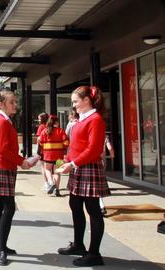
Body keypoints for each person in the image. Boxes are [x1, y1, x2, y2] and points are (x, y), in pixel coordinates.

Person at [57, 86, 111, 267]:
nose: (73, 106)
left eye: (75, 102)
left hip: (87, 167)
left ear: (87, 100)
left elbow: (94, 149)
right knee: (75, 204)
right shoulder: (83, 119)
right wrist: (68, 160)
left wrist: (72, 163)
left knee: (93, 210)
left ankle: (94, 253)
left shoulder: (95, 120)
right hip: (79, 166)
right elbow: (77, 145)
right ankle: (79, 245)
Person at [0, 89, 34, 266]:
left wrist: (20, 161)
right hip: (2, 167)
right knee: (8, 208)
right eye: (12, 101)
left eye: (15, 101)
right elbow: (4, 149)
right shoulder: (2, 122)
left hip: (1, 166)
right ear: (1, 104)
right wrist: (22, 161)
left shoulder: (3, 120)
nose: (15, 104)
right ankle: (1, 249)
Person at [37, 115, 69, 197]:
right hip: (59, 156)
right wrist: (63, 147)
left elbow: (40, 142)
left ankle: (51, 183)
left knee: (47, 169)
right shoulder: (60, 131)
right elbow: (66, 142)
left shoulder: (45, 131)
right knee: (57, 171)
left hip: (48, 155)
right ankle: (57, 190)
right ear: (57, 122)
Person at [36, 113, 49, 191]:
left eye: (40, 119)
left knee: (43, 167)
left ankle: (46, 183)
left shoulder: (41, 127)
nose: (38, 120)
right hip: (50, 150)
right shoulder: (50, 126)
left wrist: (38, 151)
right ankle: (53, 183)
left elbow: (39, 140)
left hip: (42, 150)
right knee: (52, 167)